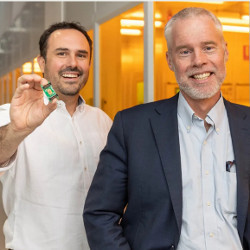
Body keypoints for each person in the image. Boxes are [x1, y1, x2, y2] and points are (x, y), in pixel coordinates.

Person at [83, 7, 250, 250]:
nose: (199, 60)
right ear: (170, 60)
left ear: (225, 52)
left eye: (208, 47)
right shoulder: (131, 127)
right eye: (185, 51)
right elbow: (100, 214)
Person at [0, 22, 112, 250]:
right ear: (42, 62)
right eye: (62, 53)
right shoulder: (13, 115)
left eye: (81, 55)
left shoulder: (102, 121)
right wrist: (18, 130)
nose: (72, 63)